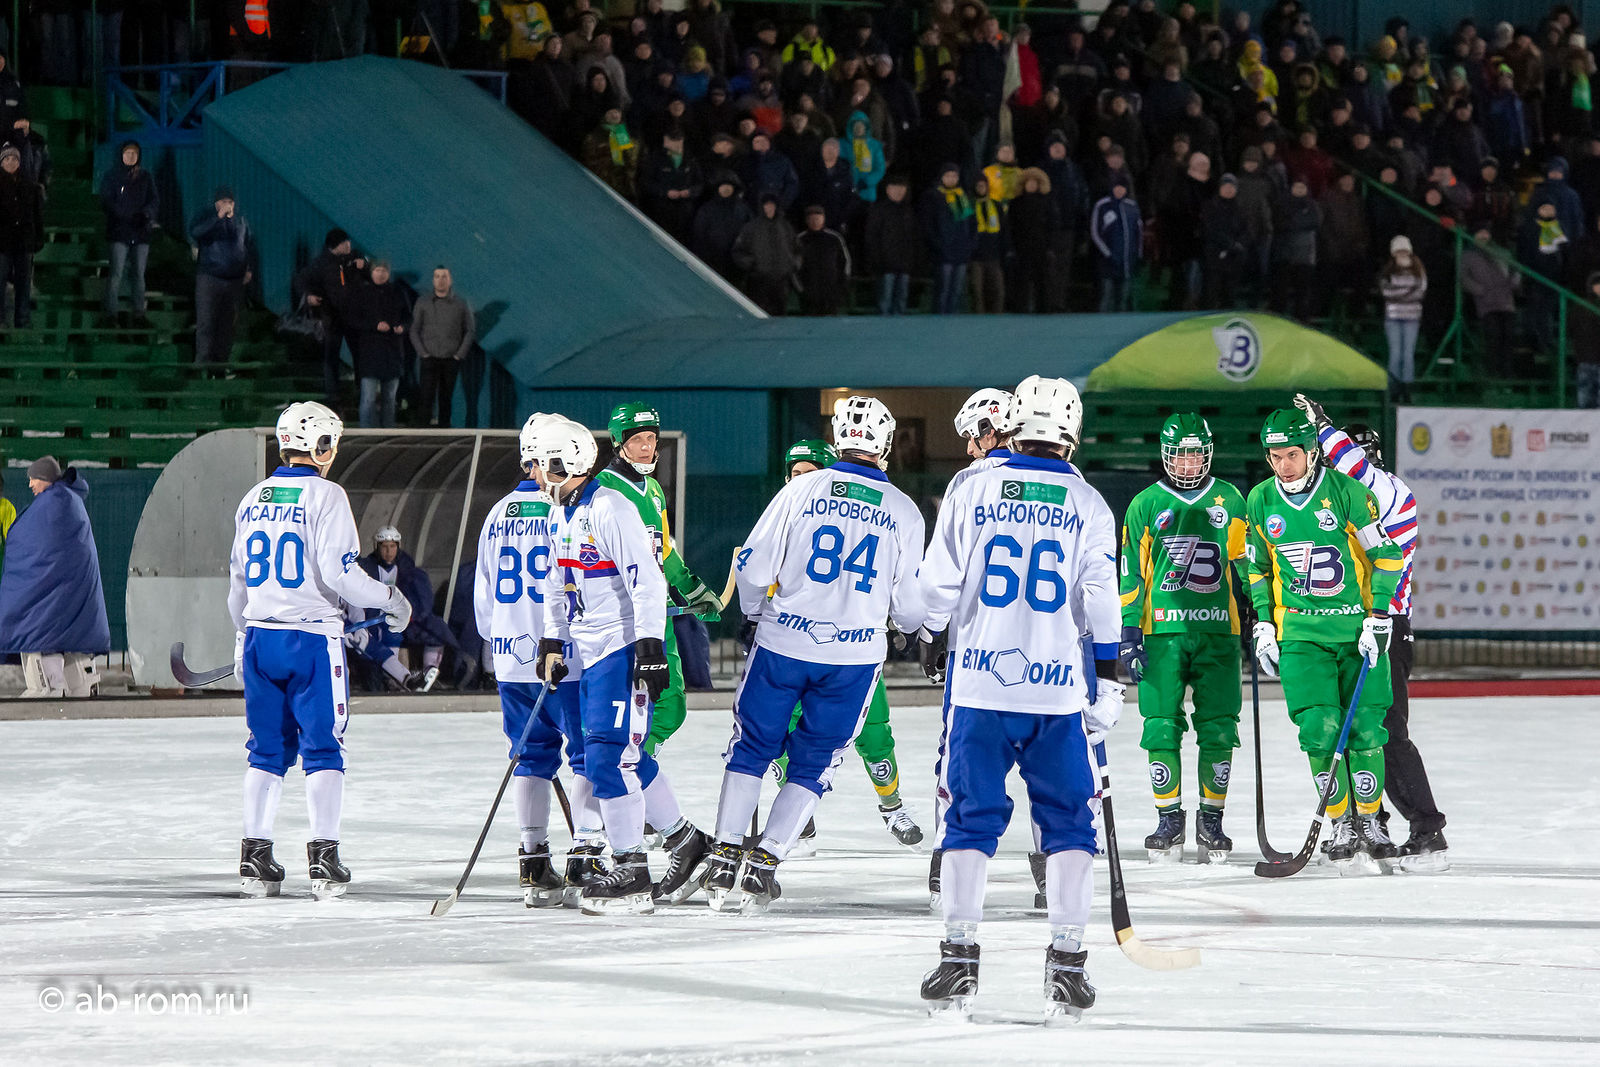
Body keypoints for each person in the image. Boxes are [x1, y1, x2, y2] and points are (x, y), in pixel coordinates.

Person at [916, 375, 1122, 1020]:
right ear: (1072, 432)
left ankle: (958, 957)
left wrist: (930, 633)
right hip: (1057, 692)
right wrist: (1110, 678)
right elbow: (1101, 599)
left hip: (980, 685)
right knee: (1069, 823)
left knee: (968, 819)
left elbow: (935, 588)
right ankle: (1068, 963)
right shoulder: (1088, 501)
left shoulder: (971, 488)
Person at [700, 395, 926, 912]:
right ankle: (766, 861)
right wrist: (909, 629)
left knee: (751, 747)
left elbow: (753, 565)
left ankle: (725, 854)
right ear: (886, 445)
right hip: (853, 657)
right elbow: (910, 604)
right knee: (816, 761)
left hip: (783, 642)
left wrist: (753, 614)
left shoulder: (801, 488)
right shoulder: (904, 510)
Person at [228, 403, 414, 899]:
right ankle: (324, 860)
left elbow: (238, 583)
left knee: (265, 751)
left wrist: (242, 638)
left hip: (261, 635)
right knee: (324, 748)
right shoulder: (328, 495)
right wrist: (390, 598)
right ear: (322, 447)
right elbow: (340, 574)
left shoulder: (252, 497)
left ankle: (255, 858)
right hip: (310, 639)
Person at [1247, 408, 1404, 871]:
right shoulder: (1260, 500)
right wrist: (1263, 623)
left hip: (1356, 633)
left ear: (1312, 452)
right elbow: (1256, 567)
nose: (1283, 465)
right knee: (1318, 731)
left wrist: (1379, 617)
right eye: (1275, 457)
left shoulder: (1349, 493)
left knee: (1367, 729)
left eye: (1292, 455)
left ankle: (1371, 820)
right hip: (1300, 636)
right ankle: (1341, 822)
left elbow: (1387, 555)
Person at [1295, 397, 1447, 871]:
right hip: (1345, 623)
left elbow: (1355, 468)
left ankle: (1428, 832)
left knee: (1386, 731)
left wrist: (1323, 428)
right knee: (1348, 730)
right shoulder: (1341, 502)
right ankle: (1367, 823)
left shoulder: (1389, 491)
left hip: (1386, 625)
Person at [534, 416, 671, 915]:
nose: (536, 473)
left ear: (564, 462)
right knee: (597, 757)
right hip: (588, 652)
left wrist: (650, 646)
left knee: (612, 759)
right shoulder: (560, 514)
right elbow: (557, 581)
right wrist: (552, 638)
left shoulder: (611, 508)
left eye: (542, 463)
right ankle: (672, 842)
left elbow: (647, 581)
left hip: (620, 648)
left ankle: (633, 869)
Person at [765, 438, 924, 851]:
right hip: (796, 645)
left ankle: (892, 805)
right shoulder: (787, 511)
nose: (801, 480)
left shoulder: (867, 517)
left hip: (852, 648)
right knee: (783, 732)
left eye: (810, 473)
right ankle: (797, 815)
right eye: (795, 474)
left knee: (874, 731)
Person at [592, 402, 721, 902]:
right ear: (618, 443)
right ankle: (621, 821)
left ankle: (654, 810)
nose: (648, 448)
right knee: (623, 735)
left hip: (653, 619)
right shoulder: (606, 492)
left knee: (671, 708)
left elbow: (662, 549)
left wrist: (688, 586)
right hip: (622, 629)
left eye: (652, 440)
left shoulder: (653, 490)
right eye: (638, 440)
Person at [474, 412, 597, 907]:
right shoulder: (566, 509)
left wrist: (502, 640)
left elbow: (483, 596)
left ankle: (533, 860)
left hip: (511, 656)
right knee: (588, 751)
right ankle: (586, 855)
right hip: (566, 655)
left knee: (530, 756)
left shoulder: (497, 513)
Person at [1117, 414, 1249, 862]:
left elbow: (1249, 563)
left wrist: (1260, 610)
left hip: (1219, 631)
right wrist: (1129, 628)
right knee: (1159, 725)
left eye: (1195, 454)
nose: (1188, 463)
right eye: (1180, 454)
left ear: (1207, 454)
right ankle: (1168, 818)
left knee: (1219, 727)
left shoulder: (1231, 499)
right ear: (1165, 455)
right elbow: (1131, 572)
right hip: (1161, 632)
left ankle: (1211, 820)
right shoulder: (1145, 504)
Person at [0, 456, 110, 699]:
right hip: (74, 591)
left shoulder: (54, 502)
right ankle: (79, 684)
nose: (30, 484)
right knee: (71, 640)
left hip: (52, 592)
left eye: (33, 478)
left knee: (40, 634)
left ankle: (47, 686)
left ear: (45, 478)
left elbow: (30, 543)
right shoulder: (70, 499)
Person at [352, 526, 462, 693]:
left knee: (436, 628)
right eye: (384, 547)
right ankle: (395, 679)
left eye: (392, 546)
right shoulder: (367, 569)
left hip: (407, 619)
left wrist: (413, 615)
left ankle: (428, 672)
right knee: (388, 634)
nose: (389, 551)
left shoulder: (408, 569)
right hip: (376, 620)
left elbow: (423, 601)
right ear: (377, 547)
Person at [299, 229, 366, 412]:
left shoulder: (355, 258)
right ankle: (333, 397)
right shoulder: (321, 263)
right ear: (336, 245)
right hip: (332, 317)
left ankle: (361, 392)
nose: (349, 245)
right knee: (331, 358)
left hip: (353, 317)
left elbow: (371, 272)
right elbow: (302, 279)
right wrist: (308, 296)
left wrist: (364, 266)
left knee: (359, 355)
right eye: (345, 242)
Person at [189, 186, 253, 369]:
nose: (227, 205)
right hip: (209, 277)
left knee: (227, 325)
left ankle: (221, 364)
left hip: (233, 280)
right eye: (224, 202)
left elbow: (245, 245)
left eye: (230, 202)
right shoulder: (206, 217)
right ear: (216, 203)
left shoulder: (240, 221)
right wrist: (218, 218)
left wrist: (248, 268)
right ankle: (202, 363)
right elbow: (196, 232)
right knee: (206, 322)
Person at [99, 139, 158, 327]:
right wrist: (126, 215)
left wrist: (145, 214)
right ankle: (111, 314)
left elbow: (154, 200)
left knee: (139, 274)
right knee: (116, 273)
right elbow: (107, 201)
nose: (131, 156)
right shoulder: (112, 176)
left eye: (134, 153)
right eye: (127, 153)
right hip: (119, 231)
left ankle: (139, 314)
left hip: (140, 233)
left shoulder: (145, 177)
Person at [410, 265, 476, 428]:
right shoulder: (423, 302)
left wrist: (459, 355)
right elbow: (414, 329)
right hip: (429, 358)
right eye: (437, 276)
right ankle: (423, 433)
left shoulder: (461, 303)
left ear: (450, 280)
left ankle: (445, 434)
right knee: (426, 397)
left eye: (444, 276)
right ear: (433, 280)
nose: (440, 280)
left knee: (446, 399)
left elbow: (470, 330)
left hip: (451, 359)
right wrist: (423, 353)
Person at [347, 261, 409, 429]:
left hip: (393, 354)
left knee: (390, 398)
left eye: (383, 271)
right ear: (371, 272)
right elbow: (354, 319)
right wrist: (374, 326)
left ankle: (388, 433)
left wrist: (403, 327)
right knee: (368, 398)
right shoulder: (363, 293)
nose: (380, 274)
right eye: (377, 270)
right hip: (370, 355)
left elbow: (408, 317)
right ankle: (367, 433)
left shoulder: (398, 292)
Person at [920, 162, 977, 314]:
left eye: (954, 176)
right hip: (943, 251)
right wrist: (937, 244)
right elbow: (928, 224)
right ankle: (939, 317)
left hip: (961, 250)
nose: (951, 179)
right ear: (941, 177)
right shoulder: (933, 196)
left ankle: (952, 317)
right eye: (948, 175)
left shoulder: (963, 196)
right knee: (943, 288)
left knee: (957, 290)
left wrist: (970, 243)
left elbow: (972, 223)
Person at [0, 142, 43, 327]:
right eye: (7, 159)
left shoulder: (29, 186)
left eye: (14, 159)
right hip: (2, 242)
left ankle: (23, 319)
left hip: (23, 241)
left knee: (24, 283)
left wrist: (37, 238)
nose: (10, 162)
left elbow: (36, 215)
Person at [731, 193, 796, 315]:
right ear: (761, 207)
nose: (769, 208)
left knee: (780, 317)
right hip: (758, 282)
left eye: (772, 205)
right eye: (766, 205)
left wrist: (792, 265)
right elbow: (738, 251)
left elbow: (797, 249)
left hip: (781, 283)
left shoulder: (786, 227)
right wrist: (752, 265)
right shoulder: (751, 228)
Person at [863, 174, 917, 314]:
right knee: (884, 301)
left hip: (904, 265)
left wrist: (911, 260)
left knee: (902, 300)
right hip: (885, 266)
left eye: (902, 187)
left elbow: (914, 239)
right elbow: (871, 238)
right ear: (887, 189)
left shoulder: (909, 211)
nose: (898, 191)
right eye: (894, 187)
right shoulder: (878, 210)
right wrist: (877, 260)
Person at [1378, 235, 1427, 388]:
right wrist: (1407, 292)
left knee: (1408, 354)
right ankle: (1393, 386)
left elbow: (1420, 292)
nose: (1402, 253)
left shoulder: (1418, 270)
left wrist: (1398, 293)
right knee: (1395, 353)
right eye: (1398, 251)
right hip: (1392, 317)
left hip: (1412, 318)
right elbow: (1386, 292)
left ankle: (1406, 387)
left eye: (1404, 250)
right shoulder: (1388, 271)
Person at [1090, 178, 1141, 312]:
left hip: (1127, 261)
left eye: (1122, 188)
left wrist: (1137, 254)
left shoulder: (1132, 206)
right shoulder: (1102, 205)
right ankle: (1102, 320)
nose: (1119, 190)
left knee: (1123, 297)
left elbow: (1138, 233)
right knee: (1106, 295)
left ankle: (1122, 321)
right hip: (1108, 261)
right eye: (1117, 187)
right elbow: (1095, 232)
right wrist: (1107, 253)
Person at [795, 204, 851, 315]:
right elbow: (793, 267)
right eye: (812, 219)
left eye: (818, 218)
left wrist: (842, 284)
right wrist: (801, 289)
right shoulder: (799, 240)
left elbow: (845, 262)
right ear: (807, 220)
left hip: (831, 293)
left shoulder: (835, 238)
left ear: (823, 219)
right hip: (809, 294)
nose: (815, 221)